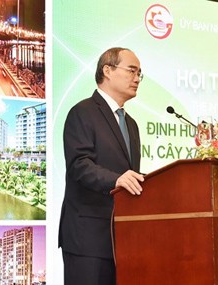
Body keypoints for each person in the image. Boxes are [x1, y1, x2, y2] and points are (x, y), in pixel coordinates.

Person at [58, 47, 145, 285]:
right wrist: (115, 179)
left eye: (140, 73)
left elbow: (130, 174)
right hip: (88, 238)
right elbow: (79, 165)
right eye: (132, 70)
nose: (137, 78)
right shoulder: (82, 112)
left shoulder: (132, 124)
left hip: (122, 240)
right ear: (107, 70)